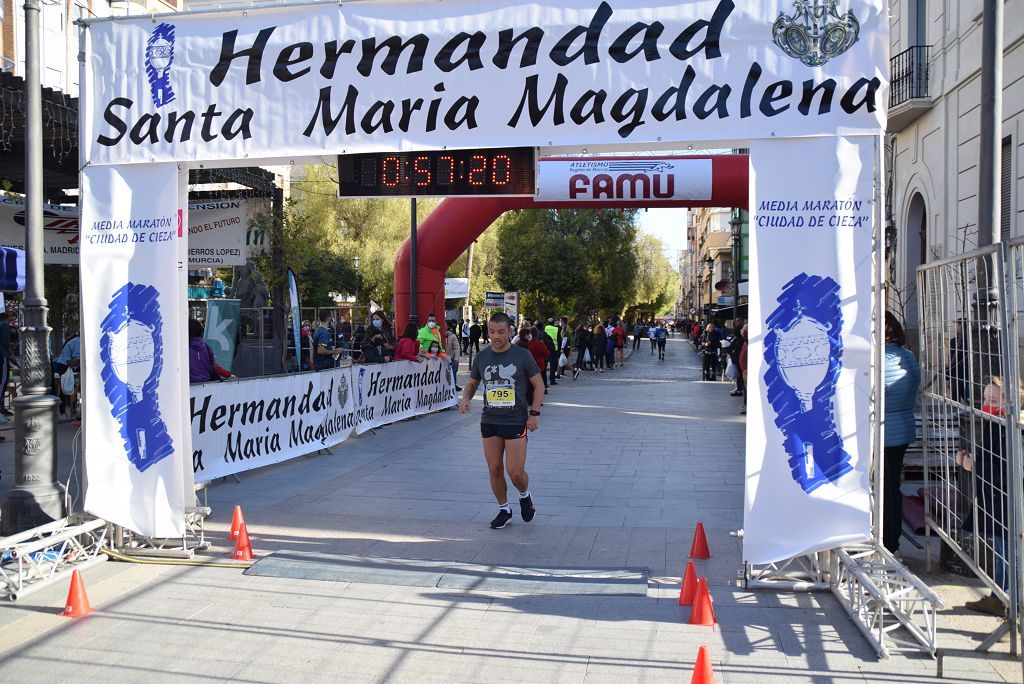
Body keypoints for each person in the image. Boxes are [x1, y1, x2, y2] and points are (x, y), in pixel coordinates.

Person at [460, 312, 545, 529]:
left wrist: (533, 414)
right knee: (495, 469)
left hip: (515, 420)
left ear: (509, 331)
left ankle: (524, 495)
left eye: (500, 332)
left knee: (515, 472)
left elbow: (539, 385)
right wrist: (466, 399)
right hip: (490, 420)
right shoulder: (482, 357)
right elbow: (471, 383)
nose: (495, 336)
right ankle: (504, 509)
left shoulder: (522, 356)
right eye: (491, 331)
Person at [957, 376, 1020, 617]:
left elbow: (1010, 469)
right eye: (984, 398)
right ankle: (998, 597)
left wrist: (975, 466)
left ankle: (1010, 607)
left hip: (1007, 501)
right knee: (1002, 551)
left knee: (1009, 553)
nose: (985, 404)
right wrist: (970, 459)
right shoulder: (996, 423)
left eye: (992, 399)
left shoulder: (1010, 428)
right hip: (996, 500)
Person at [882, 312, 921, 557]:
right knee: (893, 488)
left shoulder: (880, 361)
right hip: (903, 430)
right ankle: (892, 542)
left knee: (884, 490)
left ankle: (887, 541)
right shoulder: (908, 356)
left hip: (884, 433)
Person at [188, 318, 232, 384]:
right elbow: (213, 366)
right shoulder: (206, 347)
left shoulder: (181, 349)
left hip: (189, 387)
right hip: (207, 385)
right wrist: (228, 374)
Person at [52, 329, 81, 422]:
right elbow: (70, 362)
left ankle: (68, 412)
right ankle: (62, 413)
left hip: (66, 365)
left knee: (66, 390)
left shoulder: (77, 341)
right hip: (64, 366)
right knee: (65, 389)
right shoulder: (79, 342)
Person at [525, 326, 550, 394]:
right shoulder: (540, 343)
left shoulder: (527, 344)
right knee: (539, 382)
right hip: (539, 365)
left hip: (529, 365)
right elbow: (547, 353)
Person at [0, 313, 11, 417]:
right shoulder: (4, 326)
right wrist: (10, 353)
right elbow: (6, 343)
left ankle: (2, 409)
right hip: (2, 356)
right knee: (3, 382)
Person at [445, 322, 462, 391]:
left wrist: (456, 358)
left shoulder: (452, 336)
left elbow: (457, 348)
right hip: (442, 357)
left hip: (451, 357)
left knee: (453, 372)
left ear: (448, 326)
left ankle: (453, 385)